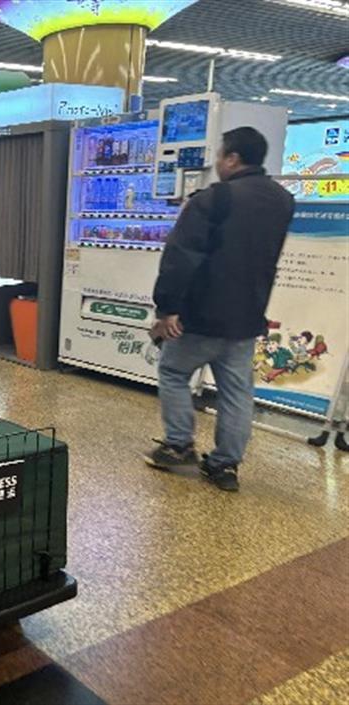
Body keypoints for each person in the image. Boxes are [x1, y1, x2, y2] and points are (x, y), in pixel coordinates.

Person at [144, 126, 295, 492]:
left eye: (219, 155)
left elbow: (180, 258)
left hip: (201, 316)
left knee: (174, 373)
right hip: (247, 316)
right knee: (237, 392)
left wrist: (167, 309)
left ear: (232, 159)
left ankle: (179, 444)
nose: (216, 163)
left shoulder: (213, 199)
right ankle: (225, 465)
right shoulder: (282, 200)